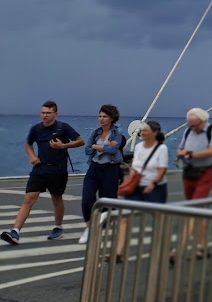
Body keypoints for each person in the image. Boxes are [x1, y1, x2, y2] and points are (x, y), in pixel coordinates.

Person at [3, 101, 84, 245]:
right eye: (43, 113)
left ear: (55, 114)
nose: (45, 115)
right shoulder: (36, 129)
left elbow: (80, 141)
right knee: (29, 198)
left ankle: (58, 227)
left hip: (58, 169)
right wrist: (32, 156)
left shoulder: (63, 128)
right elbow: (28, 143)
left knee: (56, 198)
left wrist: (63, 145)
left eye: (48, 113)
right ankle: (15, 231)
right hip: (40, 169)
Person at [112, 120, 168, 262]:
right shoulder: (138, 147)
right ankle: (119, 253)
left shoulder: (161, 149)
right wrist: (127, 183)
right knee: (124, 217)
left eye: (146, 131)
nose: (142, 133)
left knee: (158, 219)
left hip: (155, 188)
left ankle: (165, 250)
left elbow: (162, 169)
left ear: (154, 133)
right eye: (142, 131)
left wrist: (153, 184)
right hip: (137, 186)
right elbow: (135, 168)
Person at [173, 107, 212, 259]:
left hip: (206, 172)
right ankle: (202, 245)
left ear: (203, 121)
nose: (192, 127)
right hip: (189, 171)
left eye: (195, 125)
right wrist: (183, 153)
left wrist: (191, 154)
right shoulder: (188, 131)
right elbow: (179, 149)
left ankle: (179, 249)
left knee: (193, 208)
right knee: (197, 208)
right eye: (190, 124)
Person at [79, 104, 124, 246]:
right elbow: (87, 150)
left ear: (111, 118)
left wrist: (97, 146)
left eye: (104, 116)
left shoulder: (117, 133)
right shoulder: (95, 132)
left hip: (110, 169)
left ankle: (102, 227)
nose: (101, 119)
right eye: (100, 116)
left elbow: (114, 150)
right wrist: (105, 147)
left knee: (108, 202)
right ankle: (89, 227)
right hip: (94, 168)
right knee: (87, 198)